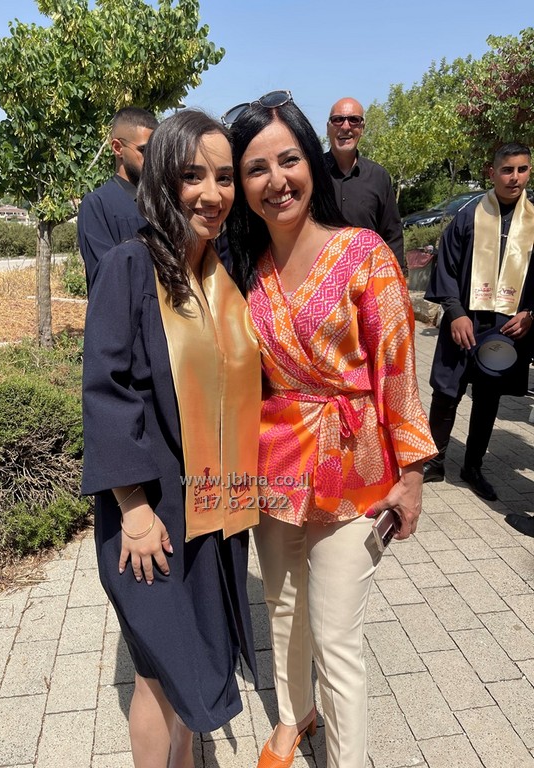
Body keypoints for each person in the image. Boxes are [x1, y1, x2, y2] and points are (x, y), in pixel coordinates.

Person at [224, 91, 436, 768]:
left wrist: (412, 475)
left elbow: (397, 368)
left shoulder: (364, 253)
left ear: (312, 163)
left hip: (355, 463)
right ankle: (294, 717)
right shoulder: (245, 269)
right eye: (256, 168)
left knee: (337, 634)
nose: (276, 180)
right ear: (242, 184)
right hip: (277, 461)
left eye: (288, 160)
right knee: (282, 604)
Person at [81, 109, 261, 768]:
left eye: (223, 177)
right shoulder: (130, 265)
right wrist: (131, 510)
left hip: (212, 506)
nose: (212, 193)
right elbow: (106, 390)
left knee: (189, 666)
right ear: (161, 178)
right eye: (192, 176)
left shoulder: (219, 275)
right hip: (150, 513)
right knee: (158, 671)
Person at [423, 142, 534, 501]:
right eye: (507, 169)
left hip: (506, 325)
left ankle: (472, 466)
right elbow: (447, 265)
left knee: (488, 397)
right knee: (446, 392)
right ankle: (433, 461)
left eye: (522, 169)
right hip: (465, 319)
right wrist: (454, 313)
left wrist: (531, 313)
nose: (514, 177)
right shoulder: (469, 215)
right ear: (492, 172)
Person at [78, 106, 158, 290]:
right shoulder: (97, 205)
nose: (153, 158)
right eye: (145, 150)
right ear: (117, 148)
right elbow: (108, 280)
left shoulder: (161, 202)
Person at [324, 96, 405, 271]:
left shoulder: (379, 177)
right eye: (338, 120)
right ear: (328, 127)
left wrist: (397, 276)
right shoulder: (311, 174)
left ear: (362, 128)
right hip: (320, 280)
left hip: (367, 279)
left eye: (354, 120)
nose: (346, 126)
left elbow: (392, 234)